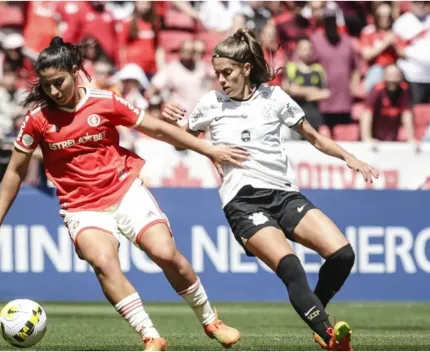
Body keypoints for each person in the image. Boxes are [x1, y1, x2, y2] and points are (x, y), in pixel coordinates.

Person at [0, 37, 246, 352]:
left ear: (75, 71)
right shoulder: (38, 119)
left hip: (124, 190)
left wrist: (207, 149)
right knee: (103, 261)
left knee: (165, 252)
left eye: (59, 82)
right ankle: (151, 336)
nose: (53, 91)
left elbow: (156, 129)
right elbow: (14, 170)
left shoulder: (106, 101)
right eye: (47, 85)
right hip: (81, 207)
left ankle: (210, 320)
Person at [162, 28, 380, 351]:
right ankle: (331, 336)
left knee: (343, 255)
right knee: (291, 267)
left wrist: (349, 157)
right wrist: (170, 124)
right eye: (217, 73)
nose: (220, 80)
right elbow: (180, 143)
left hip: (284, 194)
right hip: (244, 202)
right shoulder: (211, 104)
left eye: (227, 72)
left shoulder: (274, 98)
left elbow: (315, 137)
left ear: (246, 69)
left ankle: (315, 313)